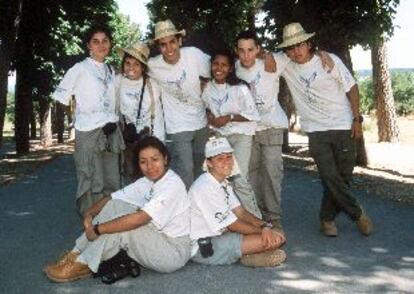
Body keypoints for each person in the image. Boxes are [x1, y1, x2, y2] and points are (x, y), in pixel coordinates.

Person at [44, 136, 191, 282]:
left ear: (165, 159)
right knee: (116, 205)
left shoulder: (172, 186)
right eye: (143, 162)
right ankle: (76, 253)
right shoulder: (148, 181)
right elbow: (112, 198)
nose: (150, 166)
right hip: (156, 236)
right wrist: (89, 214)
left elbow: (139, 219)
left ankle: (84, 263)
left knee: (123, 229)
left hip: (173, 251)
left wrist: (97, 229)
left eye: (155, 159)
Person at [278, 22, 373, 237]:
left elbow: (352, 87)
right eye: (291, 47)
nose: (296, 51)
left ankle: (327, 218)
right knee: (330, 176)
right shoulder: (286, 64)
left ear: (309, 43)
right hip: (316, 131)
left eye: (300, 45)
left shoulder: (330, 61)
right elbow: (262, 55)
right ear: (286, 50)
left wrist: (357, 120)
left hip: (343, 125)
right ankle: (358, 214)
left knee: (344, 177)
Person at [52, 24, 124, 215]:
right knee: (92, 178)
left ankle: (109, 223)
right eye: (96, 41)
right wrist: (77, 118)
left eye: (105, 41)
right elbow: (61, 98)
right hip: (89, 131)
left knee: (111, 178)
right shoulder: (80, 68)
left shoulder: (111, 70)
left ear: (109, 44)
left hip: (111, 130)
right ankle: (89, 223)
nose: (101, 45)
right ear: (88, 46)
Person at [190, 137, 286, 267]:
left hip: (222, 234)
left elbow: (240, 212)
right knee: (276, 238)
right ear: (209, 163)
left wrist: (264, 226)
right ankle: (248, 256)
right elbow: (233, 225)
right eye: (219, 158)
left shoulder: (222, 182)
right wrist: (262, 232)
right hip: (204, 246)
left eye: (228, 157)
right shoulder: (205, 186)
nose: (226, 162)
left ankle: (251, 254)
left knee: (277, 234)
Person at [234, 30, 290, 233]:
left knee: (272, 173)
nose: (246, 55)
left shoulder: (271, 62)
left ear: (258, 49)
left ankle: (274, 218)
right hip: (247, 130)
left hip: (272, 126)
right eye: (242, 51)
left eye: (250, 50)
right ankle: (257, 217)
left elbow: (298, 55)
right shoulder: (234, 70)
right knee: (251, 174)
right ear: (236, 51)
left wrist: (320, 53)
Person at [147, 19, 210, 189]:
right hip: (177, 126)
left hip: (201, 122)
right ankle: (185, 211)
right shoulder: (153, 65)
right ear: (158, 47)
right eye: (163, 44)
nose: (169, 49)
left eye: (172, 42)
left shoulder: (194, 55)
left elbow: (219, 68)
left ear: (179, 41)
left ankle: (200, 209)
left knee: (201, 169)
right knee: (185, 171)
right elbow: (131, 68)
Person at [201, 48, 261, 218]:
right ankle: (228, 220)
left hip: (241, 136)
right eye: (216, 64)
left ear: (230, 68)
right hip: (221, 137)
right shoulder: (207, 88)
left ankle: (258, 222)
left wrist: (230, 117)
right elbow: (206, 108)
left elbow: (253, 115)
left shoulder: (240, 88)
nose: (219, 68)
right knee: (221, 179)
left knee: (240, 179)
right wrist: (210, 118)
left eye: (224, 65)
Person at [116, 42, 165, 183]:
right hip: (129, 140)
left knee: (152, 177)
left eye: (136, 64)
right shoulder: (118, 81)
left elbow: (158, 115)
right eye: (128, 63)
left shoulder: (152, 85)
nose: (131, 68)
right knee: (131, 176)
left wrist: (159, 144)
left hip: (148, 138)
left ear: (143, 67)